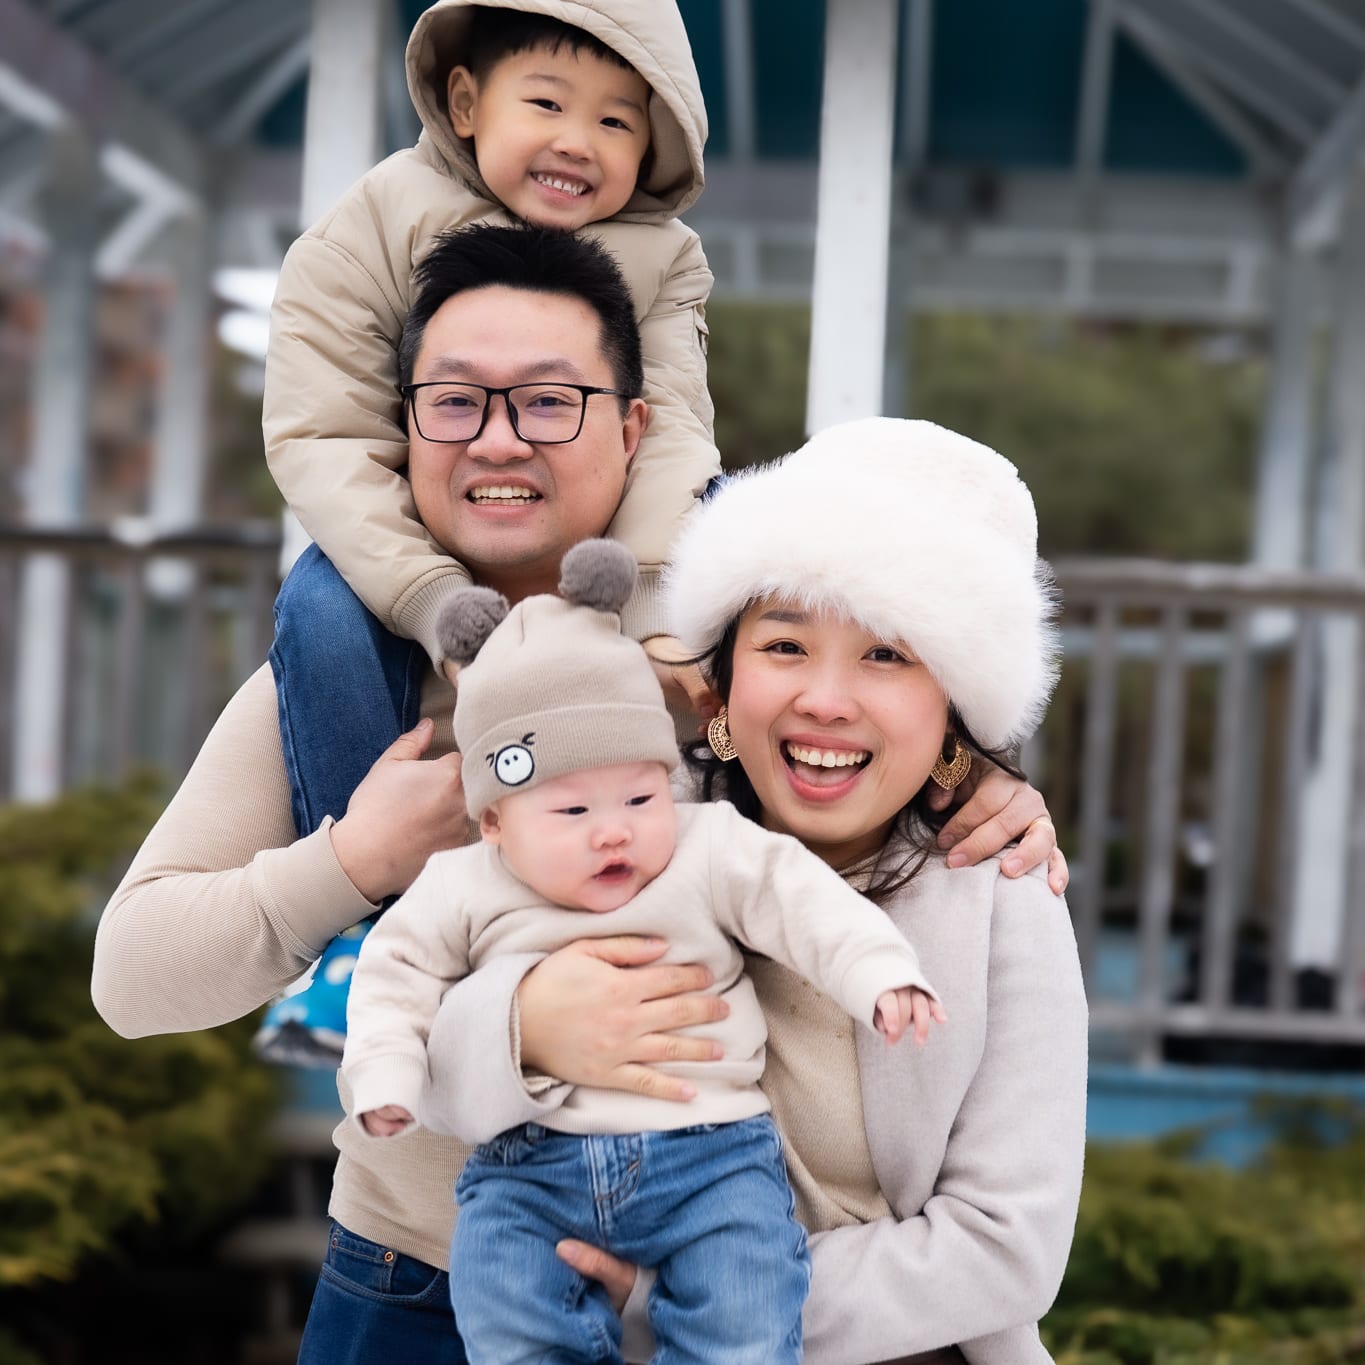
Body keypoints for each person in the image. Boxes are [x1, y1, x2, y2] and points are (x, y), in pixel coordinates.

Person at [91, 224, 1064, 1365]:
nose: (498, 440)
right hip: (424, 1274)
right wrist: (353, 864)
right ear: (407, 428)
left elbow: (850, 709)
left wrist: (980, 775)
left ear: (632, 427)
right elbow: (132, 979)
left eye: (550, 401)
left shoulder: (705, 673)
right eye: (453, 402)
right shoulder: (345, 681)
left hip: (699, 1278)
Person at [420, 417, 1089, 1363]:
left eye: (887, 655)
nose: (824, 698)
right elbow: (430, 1080)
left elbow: (1005, 1246)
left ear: (955, 710)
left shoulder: (998, 892)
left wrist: (701, 1302)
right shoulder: (621, 832)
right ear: (720, 688)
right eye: (784, 645)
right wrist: (523, 1023)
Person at [344, 537, 944, 1363]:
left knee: (746, 1298)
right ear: (493, 820)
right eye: (571, 812)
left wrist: (882, 975)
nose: (616, 828)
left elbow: (805, 903)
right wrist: (383, 1076)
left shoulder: (706, 846)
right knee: (501, 1298)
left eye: (639, 792)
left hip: (711, 1155)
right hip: (531, 1167)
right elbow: (393, 980)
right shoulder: (461, 884)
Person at [258, 0, 720, 1060]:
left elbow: (675, 430)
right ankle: (368, 939)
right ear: (466, 102)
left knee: (737, 528)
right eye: (547, 103)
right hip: (411, 552)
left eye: (618, 122)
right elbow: (323, 429)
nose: (577, 141)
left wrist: (641, 603)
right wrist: (429, 597)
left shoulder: (661, 255)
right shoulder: (377, 220)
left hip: (596, 559)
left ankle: (679, 865)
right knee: (321, 605)